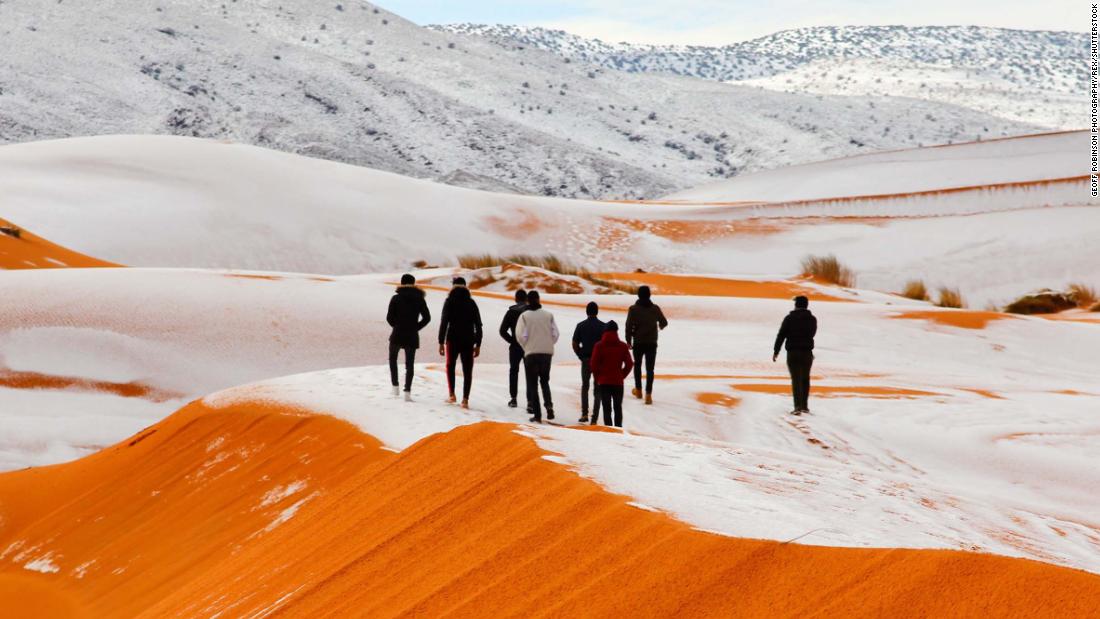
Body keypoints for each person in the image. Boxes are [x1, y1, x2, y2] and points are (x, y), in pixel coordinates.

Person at [438, 276, 483, 409]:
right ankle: (465, 400)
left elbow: (444, 322)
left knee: (450, 366)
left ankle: (452, 395)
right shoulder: (471, 302)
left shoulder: (449, 301)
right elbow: (478, 325)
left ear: (453, 286)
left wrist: (441, 341)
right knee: (467, 370)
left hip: (452, 339)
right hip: (469, 340)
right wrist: (478, 344)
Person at [386, 274, 431, 401]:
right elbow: (427, 318)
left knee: (393, 360)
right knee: (409, 364)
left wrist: (397, 326)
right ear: (414, 283)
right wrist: (416, 327)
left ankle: (395, 388)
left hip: (397, 334)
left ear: (401, 283)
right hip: (412, 335)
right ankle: (407, 392)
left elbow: (389, 317)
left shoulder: (396, 298)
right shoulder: (419, 298)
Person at [515, 290, 558, 423]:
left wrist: (526, 346)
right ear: (539, 299)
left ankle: (538, 415)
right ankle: (549, 407)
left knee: (533, 384)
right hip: (546, 353)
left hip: (531, 353)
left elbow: (520, 335)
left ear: (528, 301)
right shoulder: (548, 315)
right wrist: (548, 343)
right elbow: (555, 334)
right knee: (545, 382)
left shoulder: (524, 316)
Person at [773, 295, 818, 415]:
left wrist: (776, 351)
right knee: (805, 378)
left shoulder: (789, 318)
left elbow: (781, 335)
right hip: (807, 353)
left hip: (793, 352)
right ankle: (805, 406)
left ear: (796, 305)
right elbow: (812, 333)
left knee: (796, 379)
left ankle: (797, 407)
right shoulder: (812, 319)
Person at [624, 285, 668, 405]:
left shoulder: (633, 309)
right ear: (649, 295)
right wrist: (660, 327)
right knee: (650, 369)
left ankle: (638, 391)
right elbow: (664, 322)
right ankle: (648, 394)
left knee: (637, 366)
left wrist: (628, 341)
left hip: (638, 342)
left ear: (638, 295)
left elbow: (628, 327)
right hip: (652, 343)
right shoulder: (655, 308)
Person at [589, 320, 634, 428]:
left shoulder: (598, 346)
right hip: (618, 382)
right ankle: (618, 429)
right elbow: (630, 363)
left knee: (606, 408)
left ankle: (609, 430)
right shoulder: (622, 346)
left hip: (604, 382)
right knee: (618, 407)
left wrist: (598, 377)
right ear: (616, 331)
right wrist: (621, 375)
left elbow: (593, 364)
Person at [572, 301, 606, 424]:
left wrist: (580, 355)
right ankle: (594, 418)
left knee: (585, 386)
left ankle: (584, 414)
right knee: (598, 389)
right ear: (597, 312)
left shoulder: (580, 325)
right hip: (599, 362)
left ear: (587, 312)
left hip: (586, 359)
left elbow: (575, 343)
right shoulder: (603, 326)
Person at [498, 289, 530, 409]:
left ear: (516, 299)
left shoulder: (511, 312)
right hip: (528, 346)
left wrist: (512, 340)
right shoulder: (531, 311)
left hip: (515, 346)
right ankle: (530, 402)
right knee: (530, 373)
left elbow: (502, 331)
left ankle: (513, 399)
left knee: (513, 371)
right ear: (526, 299)